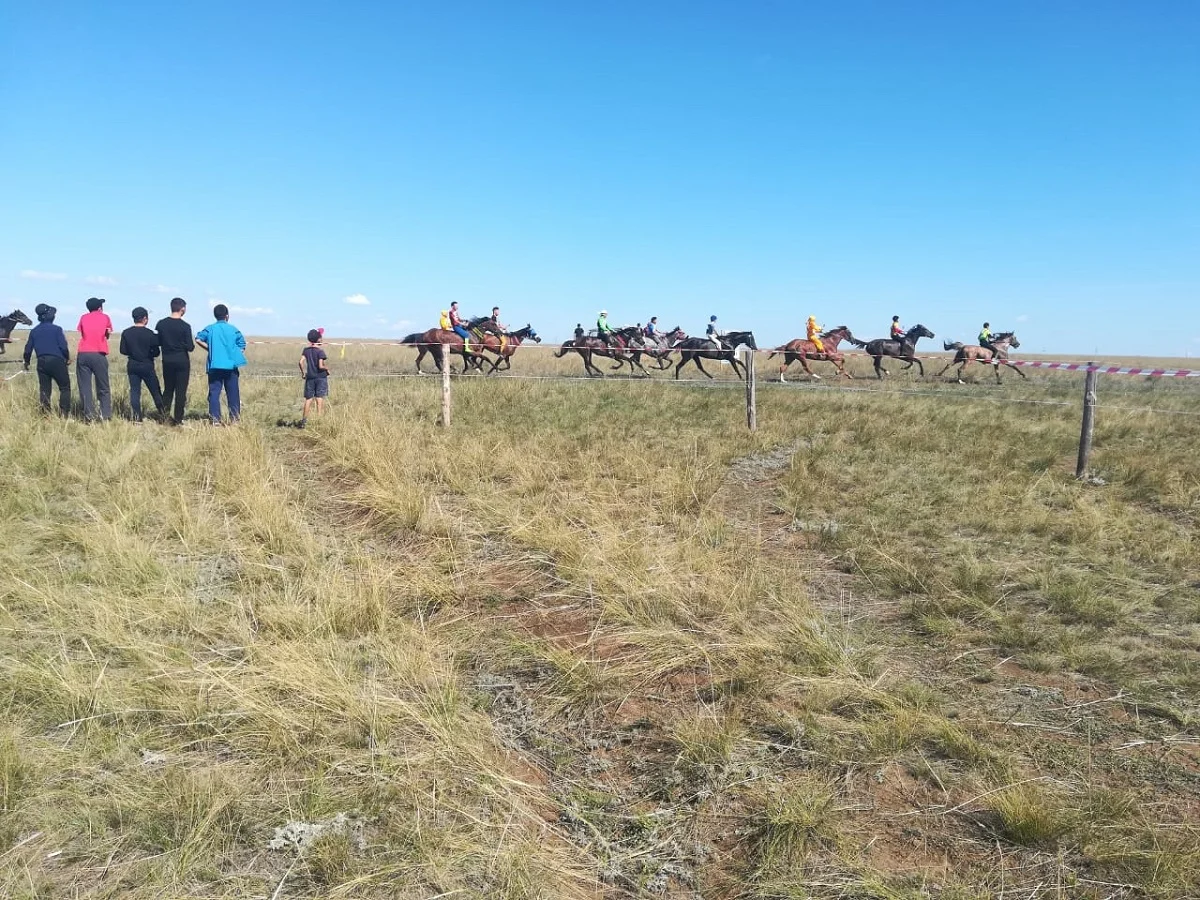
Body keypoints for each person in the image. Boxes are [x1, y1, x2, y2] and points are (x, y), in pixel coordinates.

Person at [195, 303, 247, 425]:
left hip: (214, 365)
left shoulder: (210, 328)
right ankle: (234, 419)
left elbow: (198, 339)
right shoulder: (234, 329)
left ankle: (215, 420)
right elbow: (242, 345)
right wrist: (233, 353)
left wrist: (210, 349)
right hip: (231, 366)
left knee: (214, 393)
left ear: (215, 316)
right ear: (227, 316)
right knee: (233, 393)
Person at [22, 303, 71, 416]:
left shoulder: (34, 331)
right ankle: (64, 414)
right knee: (65, 387)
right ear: (50, 316)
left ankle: (45, 415)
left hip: (41, 362)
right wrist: (67, 358)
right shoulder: (57, 329)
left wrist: (27, 362)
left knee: (44, 389)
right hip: (57, 361)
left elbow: (28, 349)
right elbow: (63, 347)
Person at [119, 307, 165, 423]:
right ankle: (163, 414)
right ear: (145, 319)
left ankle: (136, 417)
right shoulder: (150, 334)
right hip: (147, 365)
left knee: (135, 391)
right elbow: (156, 352)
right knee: (155, 390)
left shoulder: (126, 332)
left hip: (133, 365)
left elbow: (123, 350)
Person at [155, 297, 195, 426]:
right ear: (182, 309)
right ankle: (178, 418)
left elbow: (158, 341)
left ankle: (164, 416)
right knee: (181, 391)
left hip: (167, 360)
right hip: (182, 361)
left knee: (168, 390)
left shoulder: (161, 324)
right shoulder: (185, 326)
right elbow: (190, 347)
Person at [76, 297, 113, 421]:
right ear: (99, 307)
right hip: (99, 353)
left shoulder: (83, 317)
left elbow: (82, 332)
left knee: (85, 387)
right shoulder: (105, 317)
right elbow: (107, 333)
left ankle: (88, 416)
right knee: (103, 386)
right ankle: (105, 415)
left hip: (83, 353)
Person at [298, 328, 330, 424]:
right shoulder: (320, 352)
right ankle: (319, 420)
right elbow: (320, 366)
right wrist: (327, 369)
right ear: (319, 339)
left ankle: (304, 420)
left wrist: (303, 373)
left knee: (308, 399)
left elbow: (300, 362)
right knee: (319, 398)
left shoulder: (306, 350)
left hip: (310, 377)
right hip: (320, 378)